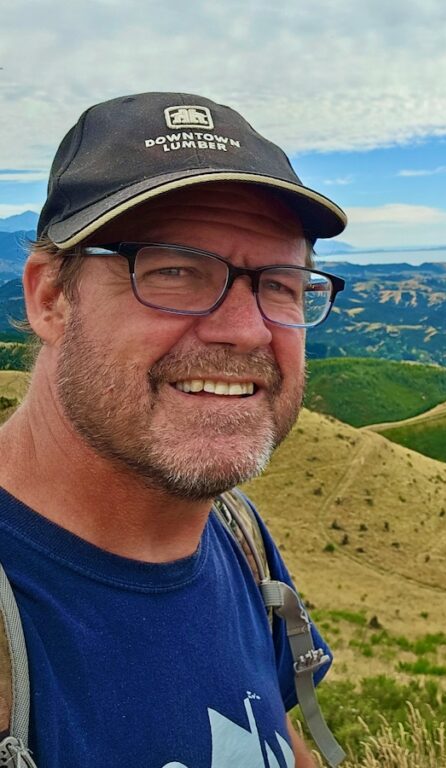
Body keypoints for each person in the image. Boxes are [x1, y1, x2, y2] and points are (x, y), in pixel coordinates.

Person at [0, 93, 349, 767]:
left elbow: (276, 735)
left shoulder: (237, 538)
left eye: (281, 284)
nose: (247, 329)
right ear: (49, 298)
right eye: (175, 271)